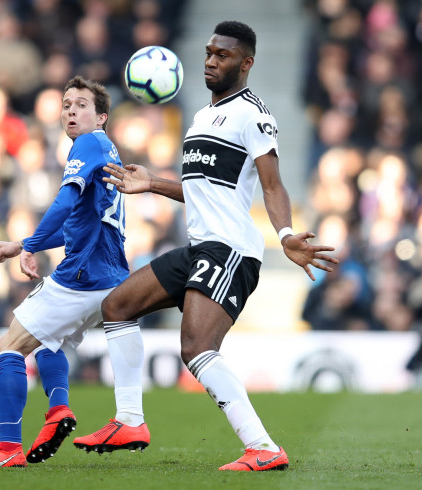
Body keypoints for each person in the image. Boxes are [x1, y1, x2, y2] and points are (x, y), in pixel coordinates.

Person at [72, 21, 339, 471]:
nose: (211, 61)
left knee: (196, 349)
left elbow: (271, 186)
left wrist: (287, 234)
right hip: (200, 247)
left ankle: (263, 448)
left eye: (223, 55)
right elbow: (203, 191)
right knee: (117, 306)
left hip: (231, 250)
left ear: (246, 62)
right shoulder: (200, 117)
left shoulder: (253, 114)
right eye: (210, 52)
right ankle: (130, 420)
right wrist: (152, 183)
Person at [0, 75, 136, 468]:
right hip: (110, 281)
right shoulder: (107, 151)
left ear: (101, 117)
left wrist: (30, 243)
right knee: (47, 344)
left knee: (8, 347)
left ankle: (7, 450)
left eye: (81, 105)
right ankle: (58, 410)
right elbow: (77, 221)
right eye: (67, 104)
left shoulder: (89, 144)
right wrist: (26, 244)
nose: (71, 111)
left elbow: (63, 201)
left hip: (81, 276)